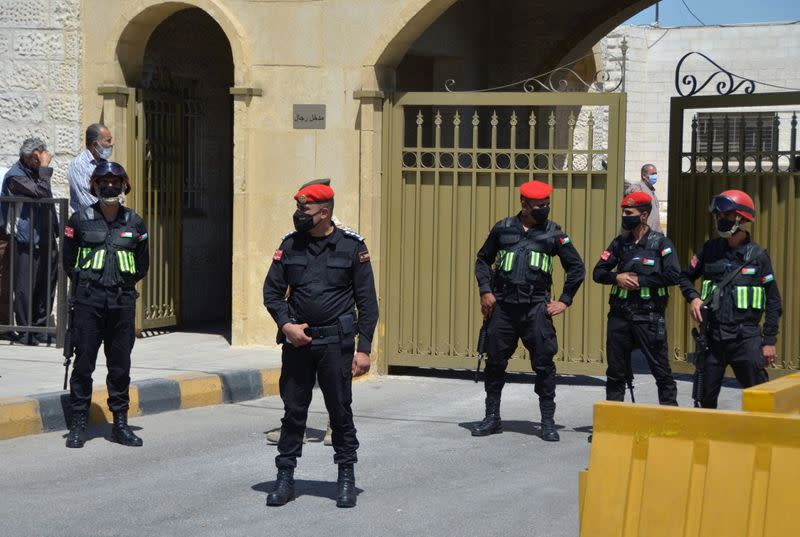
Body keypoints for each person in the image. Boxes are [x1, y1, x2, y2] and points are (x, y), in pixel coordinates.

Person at [263, 182, 378, 507]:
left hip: (336, 344)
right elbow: (272, 292)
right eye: (299, 208)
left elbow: (367, 303)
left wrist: (364, 348)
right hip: (299, 344)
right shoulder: (290, 245)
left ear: (324, 212)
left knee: (340, 412)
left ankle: (346, 477)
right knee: (293, 412)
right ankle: (285, 478)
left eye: (305, 210)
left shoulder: (352, 246)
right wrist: (286, 326)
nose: (299, 214)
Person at [473, 180, 585, 441]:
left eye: (546, 205)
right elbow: (482, 260)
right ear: (523, 204)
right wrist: (485, 291)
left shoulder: (554, 233)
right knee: (496, 361)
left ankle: (547, 422)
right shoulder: (502, 229)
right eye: (538, 206)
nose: (543, 210)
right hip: (504, 307)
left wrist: (564, 300)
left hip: (536, 308)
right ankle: (492, 417)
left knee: (544, 364)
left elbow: (576, 267)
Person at [62, 161, 149, 448]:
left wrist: (120, 286)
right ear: (95, 187)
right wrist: (88, 287)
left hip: (122, 304)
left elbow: (142, 265)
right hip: (89, 303)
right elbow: (68, 261)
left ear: (125, 185)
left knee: (120, 366)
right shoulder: (79, 220)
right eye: (104, 182)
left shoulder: (135, 222)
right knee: (84, 364)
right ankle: (78, 424)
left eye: (115, 182)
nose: (109, 187)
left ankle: (120, 425)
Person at [678, 190, 781, 408]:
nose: (720, 220)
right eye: (718, 216)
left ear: (741, 218)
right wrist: (693, 298)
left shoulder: (758, 256)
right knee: (705, 397)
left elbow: (773, 301)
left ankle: (761, 441)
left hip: (746, 338)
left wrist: (769, 341)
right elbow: (685, 277)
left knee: (759, 397)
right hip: (713, 337)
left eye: (726, 216)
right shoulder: (709, 250)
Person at [592, 192, 679, 405]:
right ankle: (613, 425)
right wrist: (617, 277)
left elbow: (673, 275)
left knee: (661, 370)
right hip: (620, 316)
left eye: (629, 212)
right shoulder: (620, 243)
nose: (624, 215)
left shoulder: (661, 243)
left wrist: (641, 280)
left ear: (644, 215)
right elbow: (598, 272)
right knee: (616, 371)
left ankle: (671, 423)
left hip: (649, 316)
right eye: (623, 211)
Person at [2, 138, 59, 345]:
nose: (42, 160)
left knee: (46, 285)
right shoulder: (15, 176)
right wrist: (45, 168)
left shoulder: (37, 174)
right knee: (25, 288)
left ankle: (41, 329)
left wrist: (55, 229)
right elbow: (41, 194)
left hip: (46, 239)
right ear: (29, 157)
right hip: (25, 240)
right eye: (38, 157)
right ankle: (26, 331)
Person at [66, 123, 114, 215]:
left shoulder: (105, 163)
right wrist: (112, 208)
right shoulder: (79, 165)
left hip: (108, 219)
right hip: (87, 223)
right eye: (108, 141)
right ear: (95, 144)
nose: (111, 144)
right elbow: (87, 200)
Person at [624, 164, 662, 233]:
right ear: (643, 176)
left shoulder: (652, 191)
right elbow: (631, 190)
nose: (655, 176)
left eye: (656, 174)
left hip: (655, 233)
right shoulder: (638, 186)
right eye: (653, 174)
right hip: (645, 234)